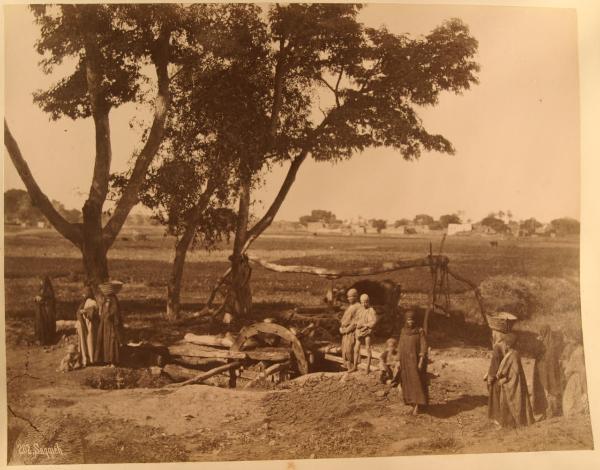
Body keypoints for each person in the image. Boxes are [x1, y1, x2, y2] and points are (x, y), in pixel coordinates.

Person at [495, 333, 535, 427]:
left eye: (504, 343)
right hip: (514, 382)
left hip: (512, 383)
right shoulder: (514, 353)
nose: (503, 345)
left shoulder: (512, 355)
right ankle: (511, 423)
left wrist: (502, 378)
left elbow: (511, 372)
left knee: (510, 403)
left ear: (508, 345)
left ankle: (510, 424)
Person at [398, 310, 428, 415]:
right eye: (408, 320)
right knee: (407, 382)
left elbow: (424, 346)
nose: (410, 322)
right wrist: (398, 360)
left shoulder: (420, 331)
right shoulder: (403, 331)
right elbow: (400, 346)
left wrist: (421, 361)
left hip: (415, 361)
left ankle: (418, 405)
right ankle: (412, 404)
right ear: (406, 320)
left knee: (416, 382)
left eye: (412, 320)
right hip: (405, 361)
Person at [532, 325, 563, 419]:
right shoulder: (545, 345)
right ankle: (549, 411)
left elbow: (549, 363)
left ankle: (551, 412)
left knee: (548, 391)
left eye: (542, 333)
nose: (540, 335)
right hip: (544, 373)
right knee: (548, 390)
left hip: (545, 373)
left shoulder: (548, 347)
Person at [95, 281, 124, 367]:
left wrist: (109, 315)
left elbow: (115, 311)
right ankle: (107, 360)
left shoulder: (113, 299)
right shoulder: (106, 299)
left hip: (111, 325)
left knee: (112, 341)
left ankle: (113, 361)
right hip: (105, 324)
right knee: (106, 341)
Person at [76, 284, 99, 367]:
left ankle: (91, 359)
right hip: (84, 324)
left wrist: (85, 311)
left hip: (90, 324)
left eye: (85, 293)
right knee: (85, 341)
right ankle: (86, 359)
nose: (83, 295)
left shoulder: (92, 301)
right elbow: (79, 311)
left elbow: (93, 311)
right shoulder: (84, 302)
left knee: (90, 341)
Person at [353, 293, 377, 373]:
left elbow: (373, 322)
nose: (364, 304)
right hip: (359, 331)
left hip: (367, 331)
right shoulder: (360, 310)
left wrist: (365, 325)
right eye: (362, 302)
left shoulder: (371, 310)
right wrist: (357, 324)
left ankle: (367, 367)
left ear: (368, 301)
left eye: (366, 302)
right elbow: (355, 319)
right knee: (356, 348)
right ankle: (354, 366)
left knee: (368, 348)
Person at [339, 288, 361, 371]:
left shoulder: (358, 307)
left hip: (352, 333)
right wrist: (341, 328)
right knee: (345, 350)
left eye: (351, 297)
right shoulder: (350, 306)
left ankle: (353, 368)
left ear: (356, 297)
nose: (349, 299)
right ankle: (348, 368)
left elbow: (355, 322)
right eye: (348, 297)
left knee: (349, 350)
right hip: (346, 333)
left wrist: (346, 330)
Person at [34, 276, 56, 346]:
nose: (40, 283)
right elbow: (39, 296)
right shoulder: (41, 289)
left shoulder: (48, 290)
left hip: (47, 312)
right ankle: (40, 339)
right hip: (41, 311)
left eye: (42, 281)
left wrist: (42, 300)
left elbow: (50, 300)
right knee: (40, 324)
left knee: (46, 324)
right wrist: (36, 298)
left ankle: (47, 340)